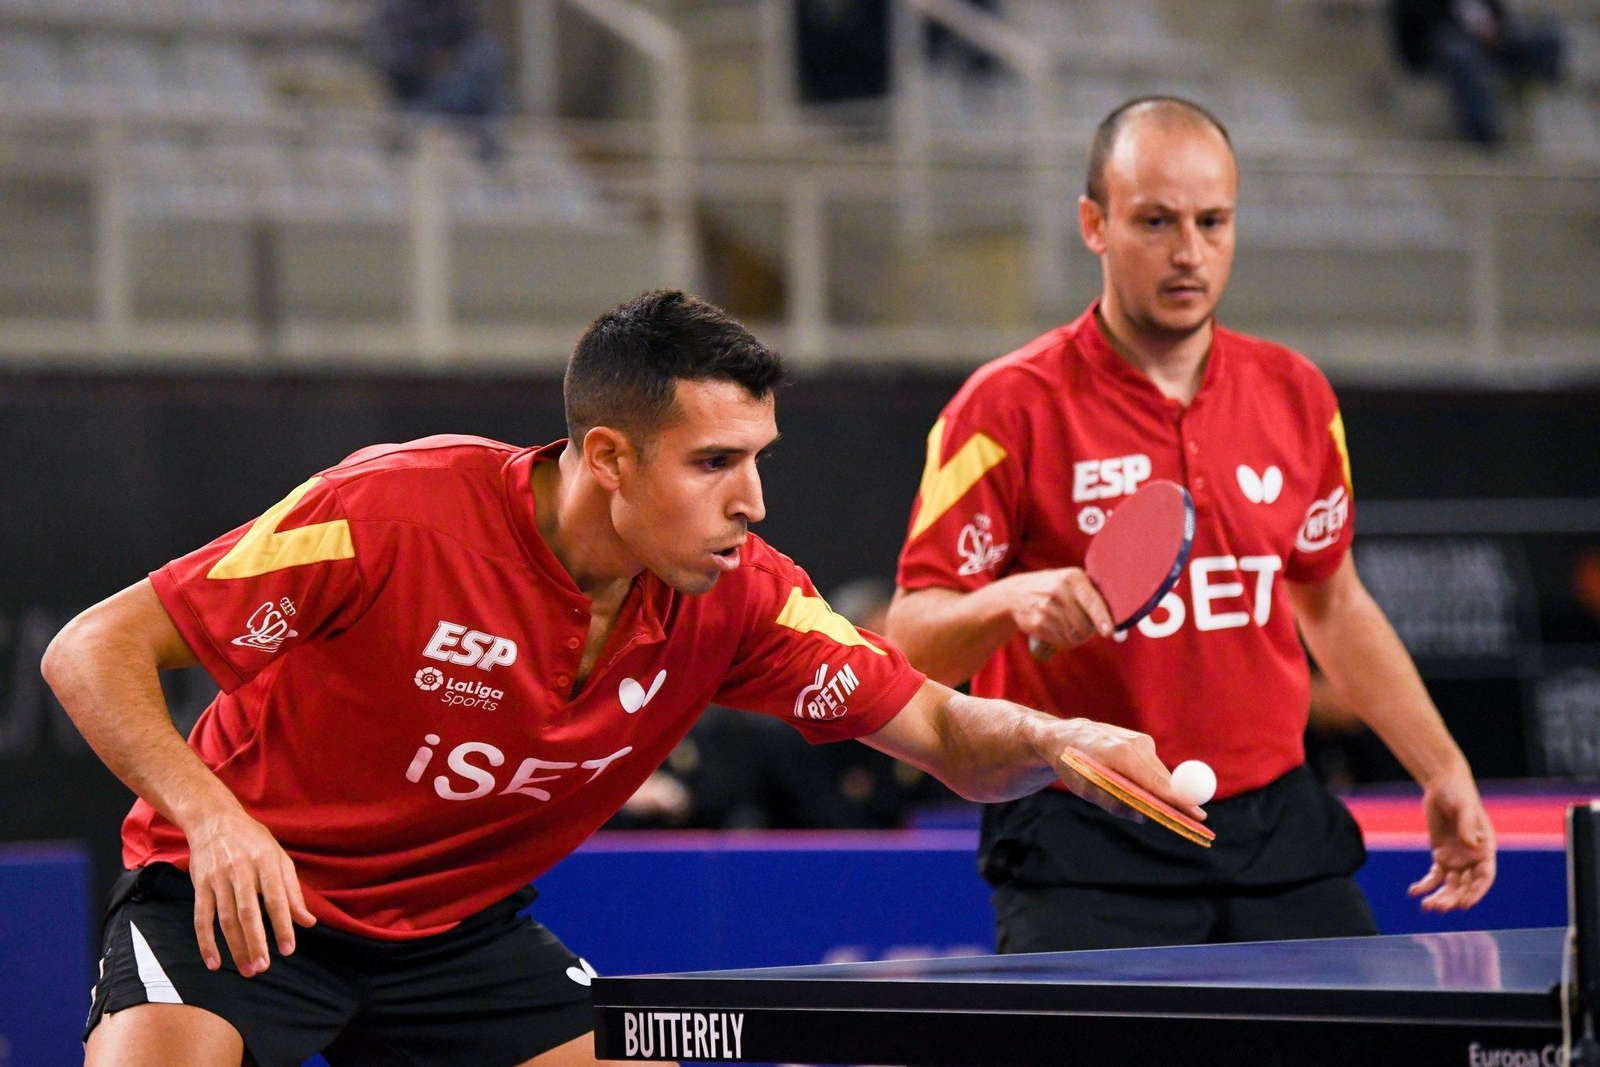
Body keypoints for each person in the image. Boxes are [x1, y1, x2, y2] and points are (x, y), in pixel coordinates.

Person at [44, 290, 1198, 1067]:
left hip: (461, 934)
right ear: (606, 454)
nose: (751, 501)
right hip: (251, 898)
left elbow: (946, 732)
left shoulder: (739, 593)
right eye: (713, 463)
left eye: (757, 459)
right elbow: (90, 647)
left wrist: (1055, 742)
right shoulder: (393, 511)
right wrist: (215, 815)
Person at [885, 97, 1498, 954]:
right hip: (1083, 833)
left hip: (1277, 827)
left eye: (1213, 221)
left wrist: (1443, 768)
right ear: (1094, 224)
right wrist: (1010, 600)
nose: (1189, 253)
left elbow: (1334, 604)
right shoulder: (1002, 409)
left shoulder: (1298, 396)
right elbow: (906, 642)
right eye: (1156, 221)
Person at [1390, 0, 1564, 145]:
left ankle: (1542, 84)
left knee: (1545, 35)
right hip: (1437, 48)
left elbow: (1500, 15)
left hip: (1488, 46)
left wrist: (1493, 29)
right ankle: (1481, 131)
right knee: (1460, 55)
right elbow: (1422, 24)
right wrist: (1470, 28)